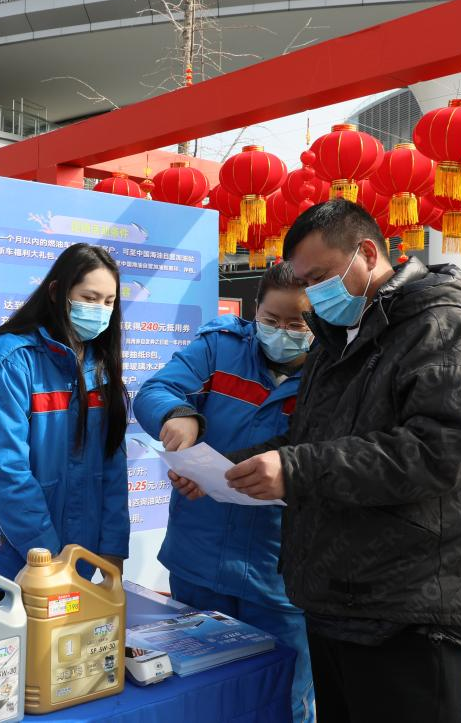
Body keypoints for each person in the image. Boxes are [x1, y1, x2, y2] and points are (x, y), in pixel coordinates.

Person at [221, 200, 461, 723]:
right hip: (335, 592)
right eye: (304, 282)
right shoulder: (338, 339)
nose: (313, 294)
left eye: (320, 277)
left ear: (368, 254)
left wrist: (296, 469)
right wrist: (232, 466)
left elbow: (442, 449)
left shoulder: (443, 326)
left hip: (407, 604)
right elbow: (312, 437)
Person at [135, 262, 315, 722]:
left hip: (278, 577)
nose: (282, 332)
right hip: (199, 558)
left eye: (297, 324)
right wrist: (178, 415)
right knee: (199, 698)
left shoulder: (330, 372)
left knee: (282, 701)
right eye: (271, 320)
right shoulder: (221, 347)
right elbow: (156, 390)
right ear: (255, 311)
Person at [0, 243, 130, 582]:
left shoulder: (100, 369)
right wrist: (48, 559)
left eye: (109, 302)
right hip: (10, 565)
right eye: (89, 298)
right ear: (56, 292)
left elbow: (113, 467)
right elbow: (3, 469)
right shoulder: (12, 361)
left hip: (76, 565)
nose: (100, 310)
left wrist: (112, 550)